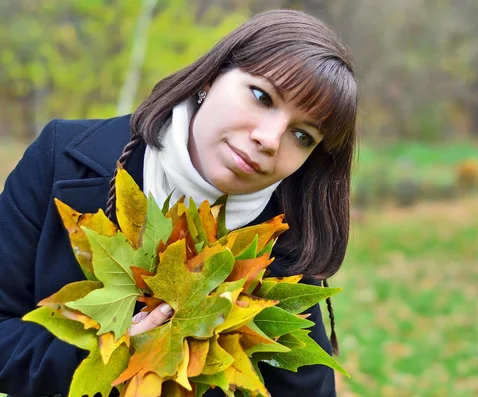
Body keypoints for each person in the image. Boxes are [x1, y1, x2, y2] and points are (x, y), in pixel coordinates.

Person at [0, 8, 357, 397]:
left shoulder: (282, 247)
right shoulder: (63, 161)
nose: (270, 139)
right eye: (262, 96)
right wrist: (109, 355)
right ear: (210, 77)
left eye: (303, 136)